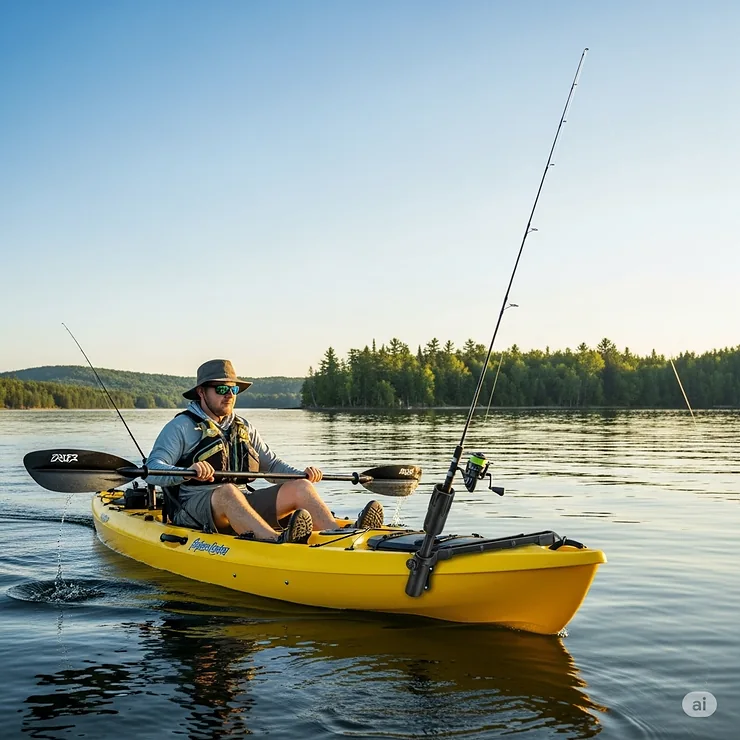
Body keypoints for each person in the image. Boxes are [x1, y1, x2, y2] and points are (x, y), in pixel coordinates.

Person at [146, 359, 384, 543]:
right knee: (228, 491)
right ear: (201, 392)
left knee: (301, 487)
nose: (229, 395)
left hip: (240, 503)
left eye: (234, 390)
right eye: (221, 389)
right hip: (194, 509)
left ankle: (337, 536)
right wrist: (187, 471)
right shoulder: (180, 427)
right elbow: (152, 470)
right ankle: (274, 541)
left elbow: (271, 466)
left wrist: (303, 474)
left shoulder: (244, 427)